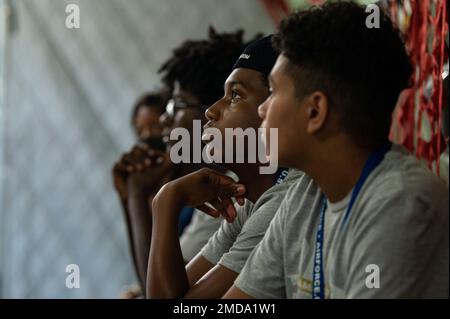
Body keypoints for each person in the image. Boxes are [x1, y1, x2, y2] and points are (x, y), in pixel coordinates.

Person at [224, 2, 448, 299]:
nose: (263, 108)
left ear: (315, 111)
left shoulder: (401, 202)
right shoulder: (305, 195)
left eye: (275, 91)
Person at [147, 36, 303, 299]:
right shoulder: (247, 202)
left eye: (235, 96)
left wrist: (166, 202)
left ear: (270, 109)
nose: (212, 111)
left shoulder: (284, 198)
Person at [112, 28, 247, 296]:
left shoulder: (234, 195)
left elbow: (162, 295)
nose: (164, 122)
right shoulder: (207, 189)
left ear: (214, 110)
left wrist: (139, 197)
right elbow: (157, 286)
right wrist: (132, 196)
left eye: (176, 106)